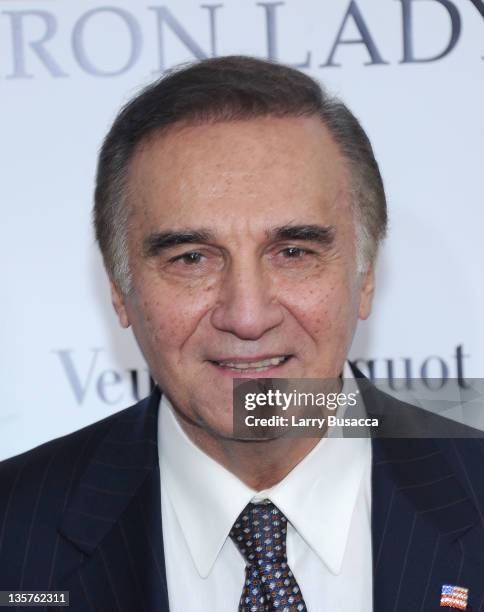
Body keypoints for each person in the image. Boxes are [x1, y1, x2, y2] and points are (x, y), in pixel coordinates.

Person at [0, 56, 483, 612]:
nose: (248, 316)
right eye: (191, 258)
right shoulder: (14, 532)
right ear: (119, 290)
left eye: (294, 252)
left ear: (366, 275)